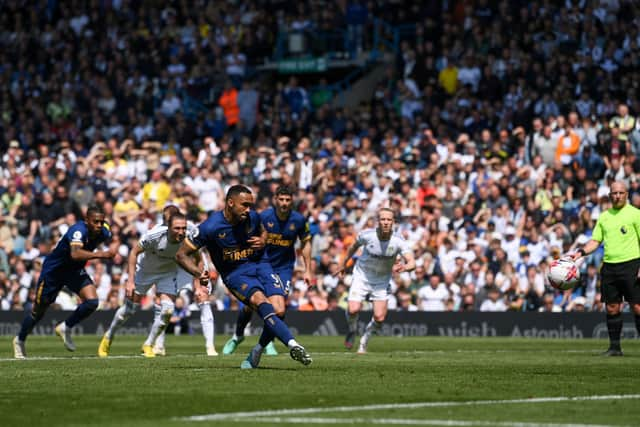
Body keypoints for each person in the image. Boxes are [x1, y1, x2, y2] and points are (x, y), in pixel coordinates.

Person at [175, 184, 312, 369]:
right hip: (235, 273)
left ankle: (257, 350)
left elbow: (263, 230)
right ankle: (292, 344)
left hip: (262, 264)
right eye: (245, 205)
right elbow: (181, 254)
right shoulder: (210, 226)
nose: (249, 210)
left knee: (279, 311)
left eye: (250, 205)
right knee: (259, 301)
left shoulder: (252, 217)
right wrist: (199, 273)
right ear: (230, 203)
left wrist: (263, 239)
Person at [13, 205, 114, 359]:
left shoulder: (104, 231)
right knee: (38, 311)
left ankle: (65, 327)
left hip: (73, 272)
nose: (99, 225)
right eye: (95, 222)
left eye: (101, 222)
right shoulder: (78, 231)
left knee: (92, 302)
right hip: (54, 272)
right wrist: (102, 254)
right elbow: (75, 253)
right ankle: (19, 340)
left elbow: (111, 234)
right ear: (86, 220)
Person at [222, 185, 312, 356]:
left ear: (292, 201)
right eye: (281, 199)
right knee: (251, 307)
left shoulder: (299, 220)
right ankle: (237, 336)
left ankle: (264, 344)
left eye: (288, 200)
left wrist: (308, 270)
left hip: (283, 269)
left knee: (279, 310)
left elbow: (306, 243)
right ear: (275, 200)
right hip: (260, 265)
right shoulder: (264, 217)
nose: (284, 203)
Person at [98, 210, 188, 358]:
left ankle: (149, 344)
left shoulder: (188, 237)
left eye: (183, 228)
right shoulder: (154, 235)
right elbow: (134, 253)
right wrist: (130, 281)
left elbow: (196, 254)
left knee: (167, 310)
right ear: (168, 226)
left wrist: (199, 276)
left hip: (167, 273)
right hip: (145, 272)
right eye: (177, 228)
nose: (181, 231)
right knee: (129, 310)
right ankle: (108, 337)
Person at [568, 181, 640, 356]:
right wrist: (580, 252)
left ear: (627, 194)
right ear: (610, 195)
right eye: (614, 193)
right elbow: (595, 241)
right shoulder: (604, 216)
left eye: (621, 193)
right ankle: (615, 348)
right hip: (609, 267)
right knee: (612, 308)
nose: (617, 196)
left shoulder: (635, 214)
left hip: (632, 264)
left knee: (637, 307)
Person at [336, 207, 415, 354]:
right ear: (378, 221)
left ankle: (364, 341)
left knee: (379, 318)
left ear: (393, 222)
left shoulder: (398, 241)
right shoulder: (367, 235)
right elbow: (352, 247)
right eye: (383, 219)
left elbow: (412, 262)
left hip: (381, 281)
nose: (385, 222)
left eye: (388, 220)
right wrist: (343, 264)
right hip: (362, 276)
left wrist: (404, 267)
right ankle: (352, 330)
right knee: (353, 309)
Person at [153, 206, 217, 357]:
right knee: (163, 303)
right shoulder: (156, 232)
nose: (166, 223)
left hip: (191, 264)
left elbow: (198, 257)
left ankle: (210, 347)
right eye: (165, 220)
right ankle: (158, 345)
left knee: (202, 297)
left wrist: (198, 282)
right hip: (170, 266)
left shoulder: (190, 231)